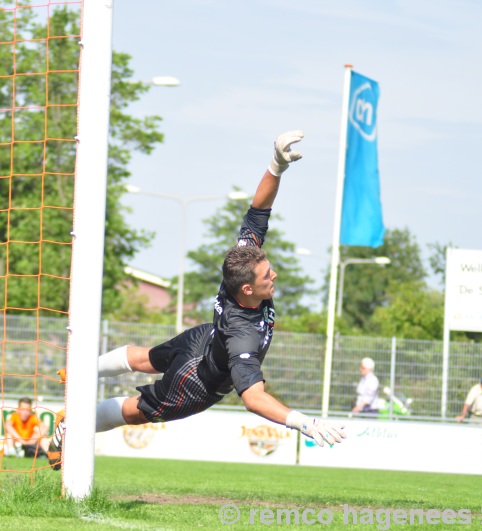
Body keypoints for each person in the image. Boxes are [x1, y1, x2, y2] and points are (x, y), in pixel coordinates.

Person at [48, 131, 347, 469]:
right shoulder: (242, 336)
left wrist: (275, 166)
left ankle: (80, 371)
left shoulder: (242, 263)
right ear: (246, 289)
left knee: (147, 358)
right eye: (267, 276)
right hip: (197, 381)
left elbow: (258, 210)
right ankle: (69, 425)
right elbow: (253, 398)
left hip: (201, 339)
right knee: (138, 411)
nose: (274, 275)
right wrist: (306, 423)